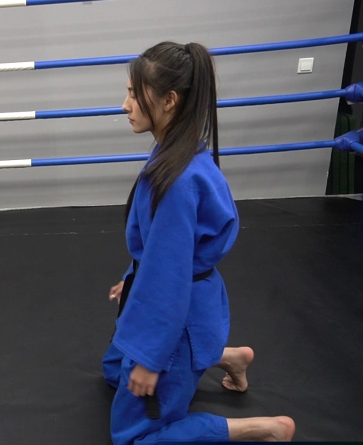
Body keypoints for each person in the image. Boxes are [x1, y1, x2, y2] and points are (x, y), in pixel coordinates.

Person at [100, 41, 296, 444]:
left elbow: (169, 275)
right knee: (113, 370)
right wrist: (132, 279)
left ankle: (265, 428)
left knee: (132, 438)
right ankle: (225, 357)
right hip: (183, 304)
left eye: (134, 94)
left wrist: (153, 359)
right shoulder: (180, 153)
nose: (125, 105)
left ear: (169, 100)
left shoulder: (176, 182)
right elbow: (160, 252)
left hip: (178, 314)